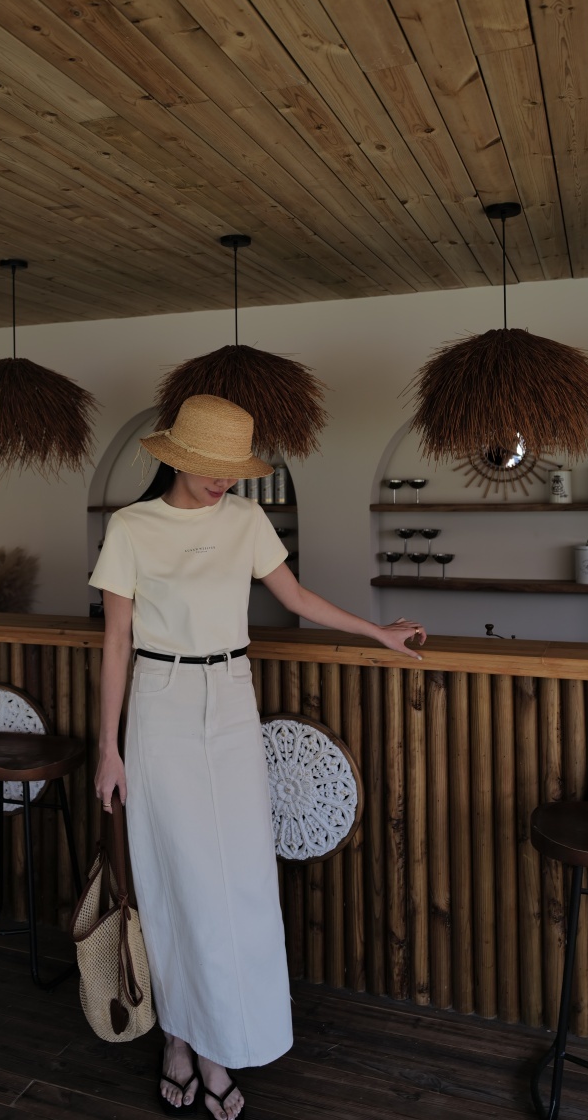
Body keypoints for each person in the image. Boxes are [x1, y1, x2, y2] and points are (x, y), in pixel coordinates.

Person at [90, 395, 426, 1120]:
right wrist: (107, 750)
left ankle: (222, 1037)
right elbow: (116, 643)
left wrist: (378, 632)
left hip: (232, 695)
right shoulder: (131, 527)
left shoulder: (246, 519)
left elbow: (296, 597)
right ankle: (182, 1039)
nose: (223, 481)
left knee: (238, 879)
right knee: (174, 876)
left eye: (232, 470)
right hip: (160, 701)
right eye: (211, 468)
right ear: (178, 458)